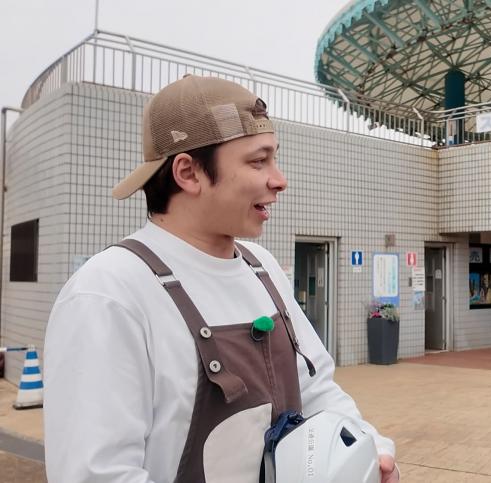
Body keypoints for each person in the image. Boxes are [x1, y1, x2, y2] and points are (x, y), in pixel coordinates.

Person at [44, 76, 399, 483]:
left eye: (274, 159)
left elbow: (317, 391)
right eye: (258, 161)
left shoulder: (262, 269)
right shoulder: (110, 292)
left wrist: (370, 450)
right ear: (189, 173)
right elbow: (95, 475)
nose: (279, 180)